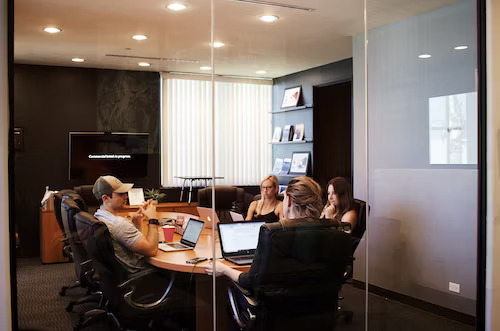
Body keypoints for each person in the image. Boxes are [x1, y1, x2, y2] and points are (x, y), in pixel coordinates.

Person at [206, 176, 323, 287]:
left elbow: (251, 280)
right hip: (322, 305)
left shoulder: (274, 239)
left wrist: (224, 269)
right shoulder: (333, 234)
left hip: (277, 305)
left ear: (289, 202)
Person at [92, 175, 160, 273]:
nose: (126, 196)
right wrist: (153, 219)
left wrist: (136, 220)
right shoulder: (119, 224)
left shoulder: (98, 216)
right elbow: (152, 251)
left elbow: (131, 242)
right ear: (106, 198)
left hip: (116, 275)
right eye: (120, 194)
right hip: (140, 274)